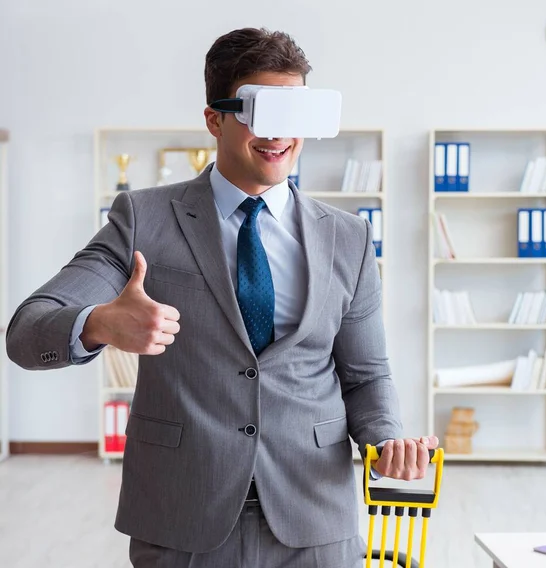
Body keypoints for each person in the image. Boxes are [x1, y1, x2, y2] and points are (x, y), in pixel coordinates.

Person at [6, 27, 439, 568]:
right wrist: (99, 324)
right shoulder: (143, 219)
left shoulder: (346, 237)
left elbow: (365, 375)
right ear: (214, 119)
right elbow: (27, 331)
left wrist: (385, 442)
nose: (281, 135)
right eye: (263, 112)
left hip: (314, 514)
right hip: (183, 513)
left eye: (295, 114)